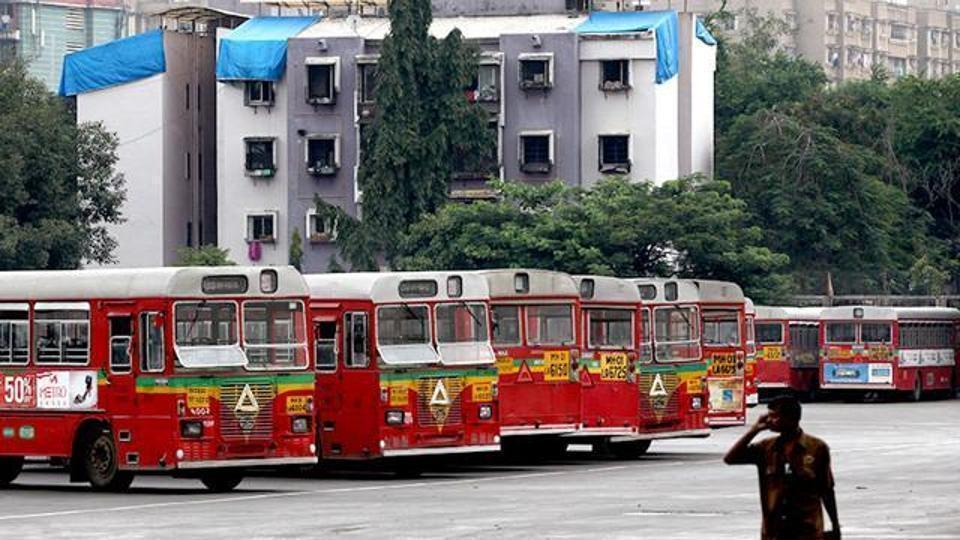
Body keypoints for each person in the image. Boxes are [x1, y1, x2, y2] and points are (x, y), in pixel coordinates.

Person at [724, 395, 840, 540]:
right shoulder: (766, 448)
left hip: (807, 530)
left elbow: (826, 490)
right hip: (774, 531)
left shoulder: (817, 448)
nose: (769, 421)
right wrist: (754, 430)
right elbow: (730, 458)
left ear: (791, 418)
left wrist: (835, 524)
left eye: (775, 416)